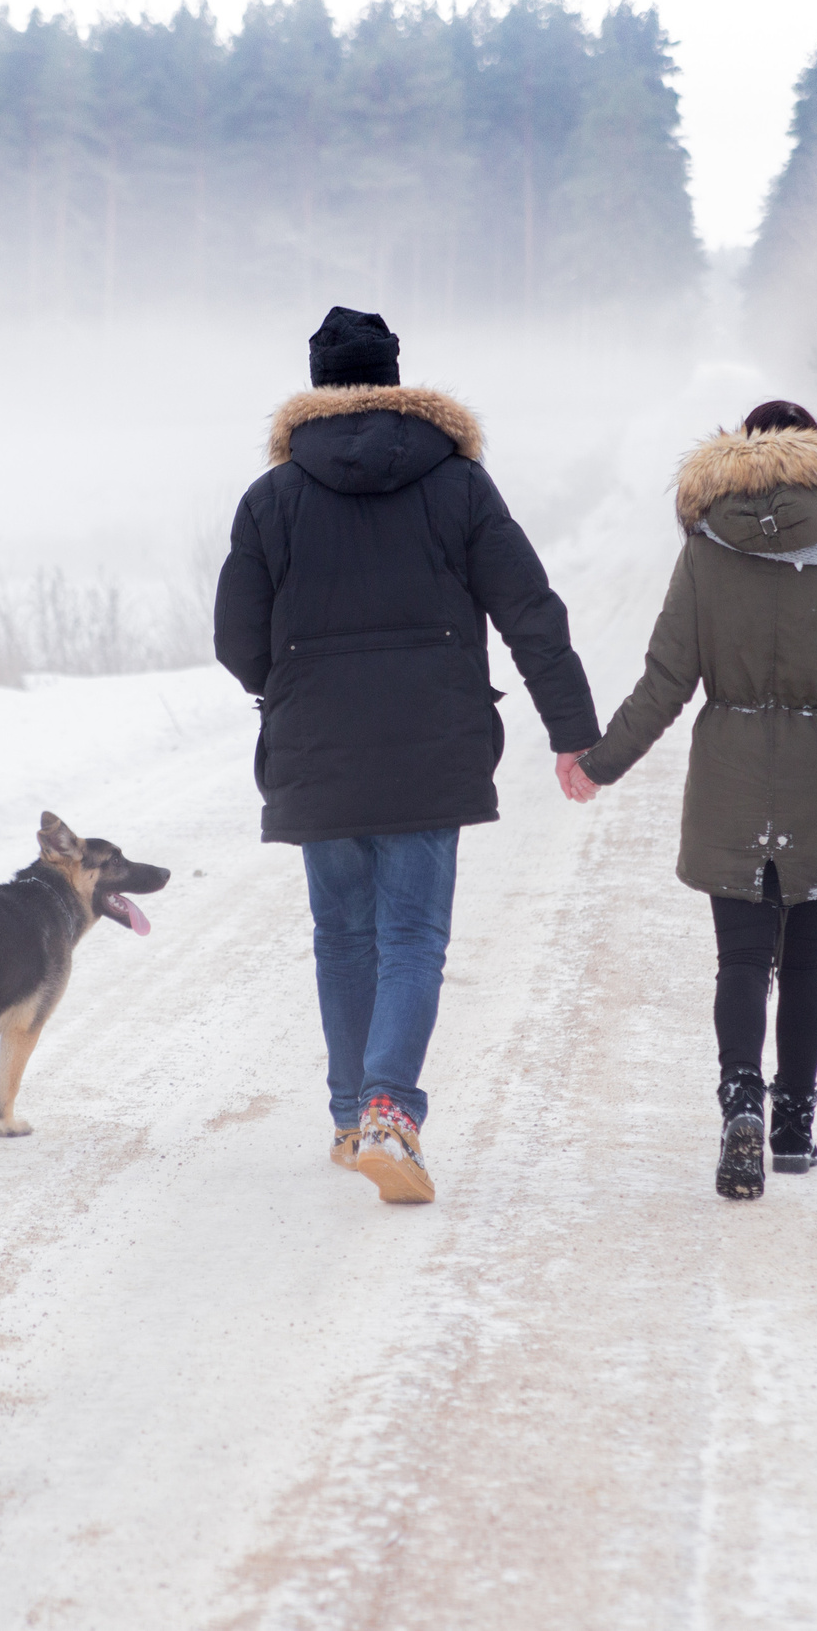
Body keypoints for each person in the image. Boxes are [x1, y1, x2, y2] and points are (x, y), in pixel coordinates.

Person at [214, 307, 600, 1204]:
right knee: (413, 937)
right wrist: (571, 728)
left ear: (317, 387)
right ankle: (390, 1108)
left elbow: (236, 639)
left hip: (319, 748)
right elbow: (530, 609)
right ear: (395, 379)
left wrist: (295, 688)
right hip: (432, 743)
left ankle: (353, 1117)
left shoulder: (271, 498)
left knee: (343, 937)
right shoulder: (458, 484)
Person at [564, 399, 817, 1200]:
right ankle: (793, 1125)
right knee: (808, 960)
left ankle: (741, 1105)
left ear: (742, 454)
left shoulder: (706, 546)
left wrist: (601, 763)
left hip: (730, 776)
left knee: (743, 960)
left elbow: (665, 681)